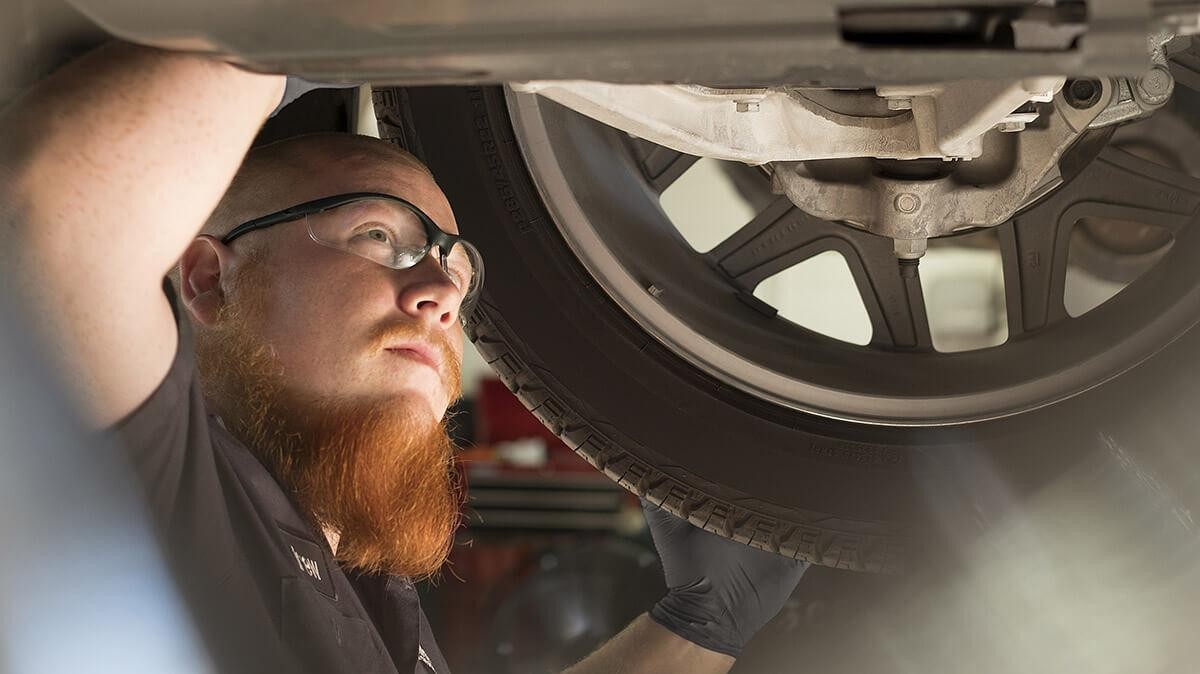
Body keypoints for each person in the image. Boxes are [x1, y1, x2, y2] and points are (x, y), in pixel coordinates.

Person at [0, 43, 807, 673]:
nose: (442, 295)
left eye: (456, 268)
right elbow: (42, 223)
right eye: (380, 237)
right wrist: (282, 33)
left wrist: (699, 627)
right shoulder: (143, 479)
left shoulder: (366, 584)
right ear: (210, 279)